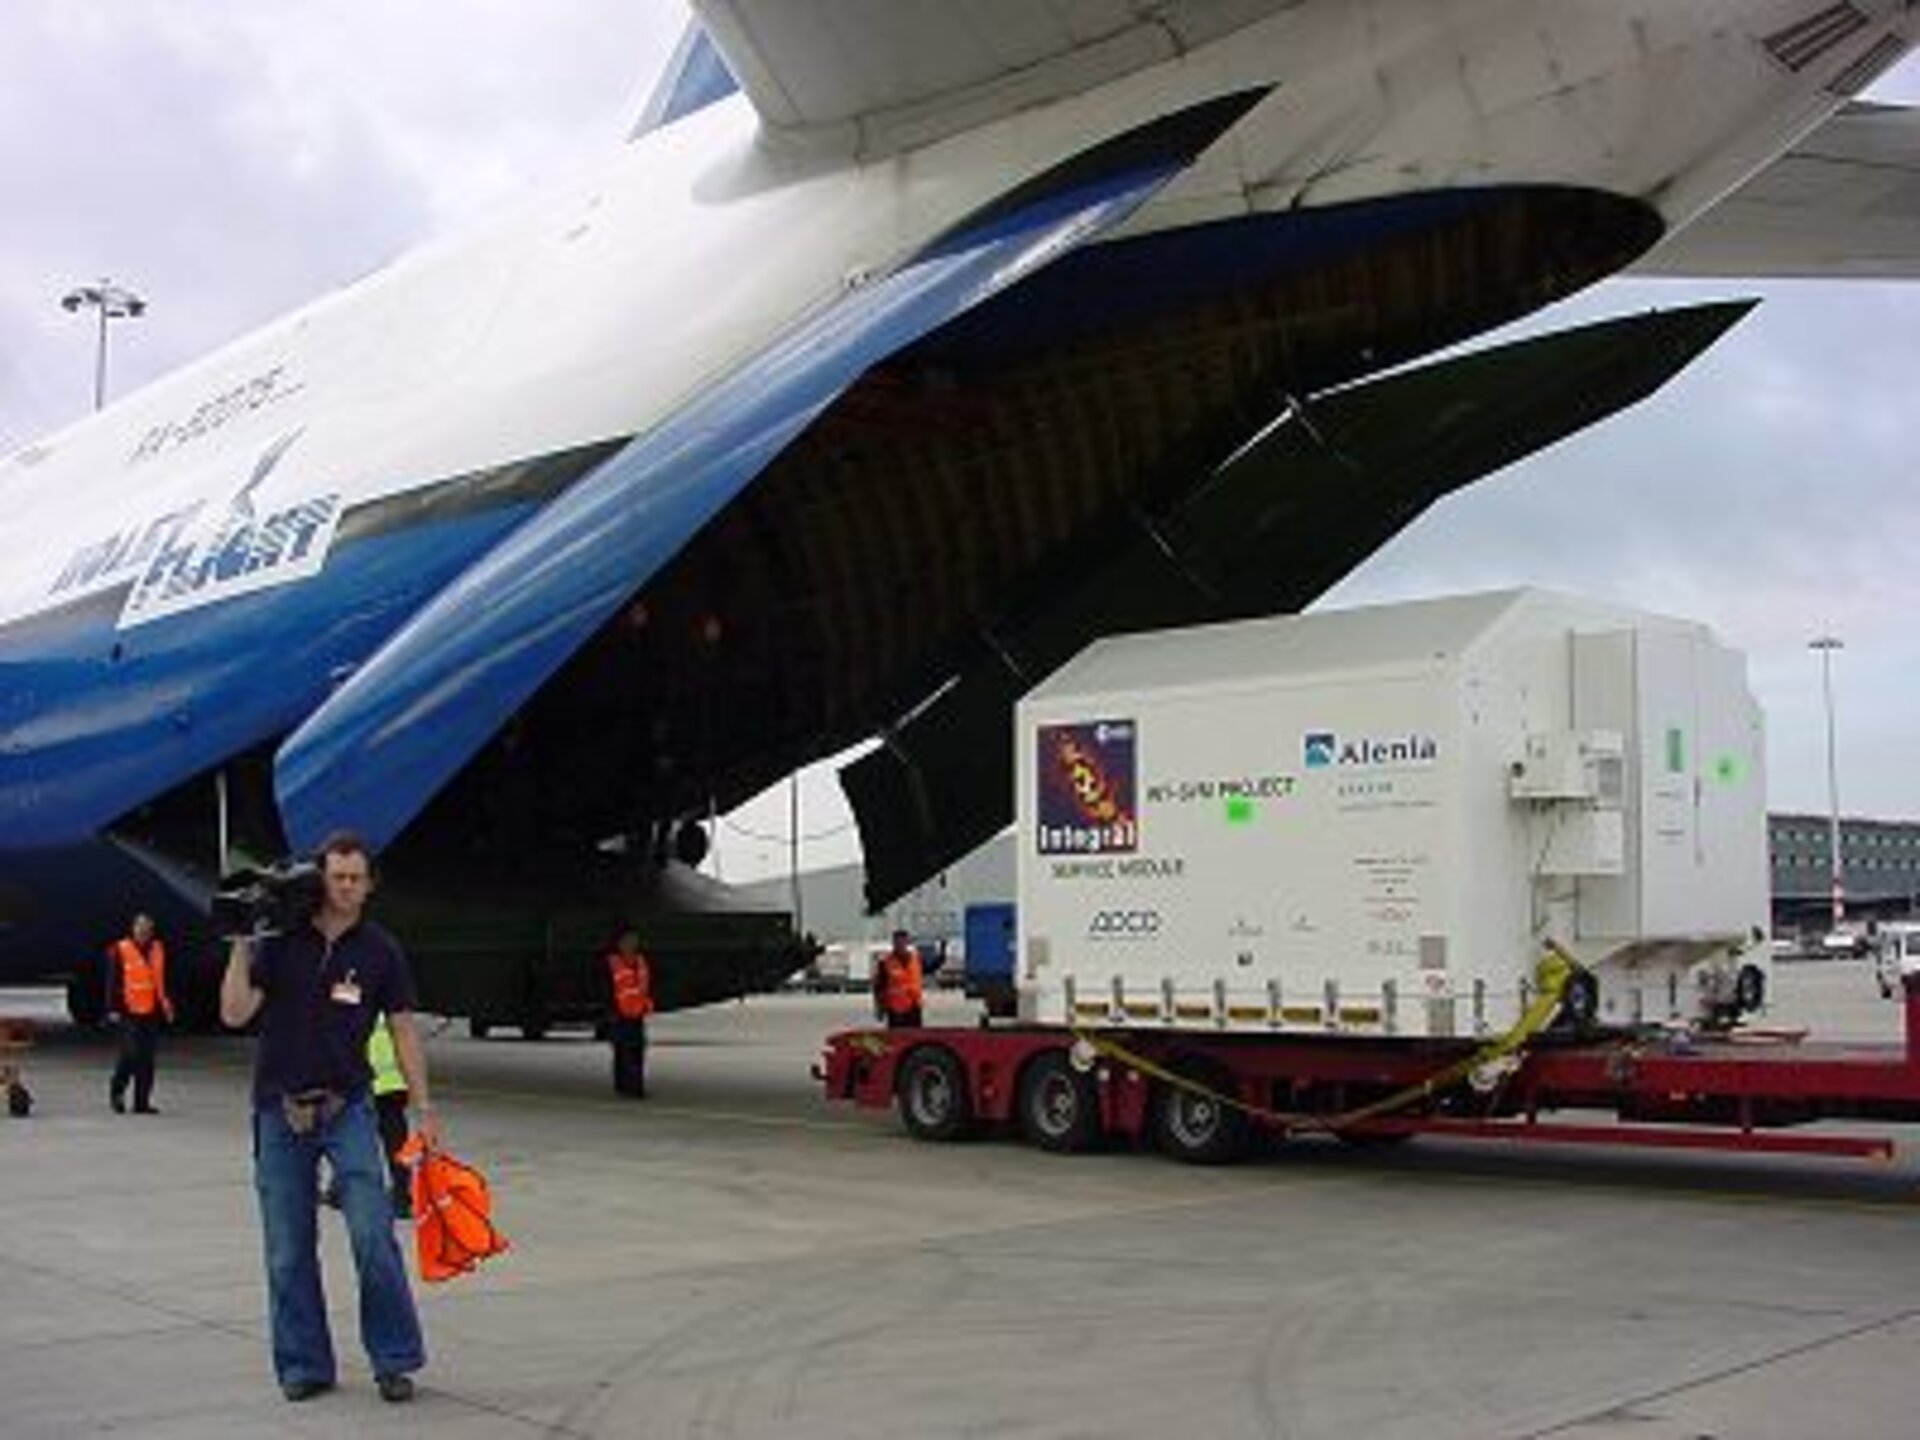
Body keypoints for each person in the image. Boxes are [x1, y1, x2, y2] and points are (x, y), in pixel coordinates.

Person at [220, 831, 435, 1405]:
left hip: (348, 1108)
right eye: (335, 876)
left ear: (369, 884)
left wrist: (423, 1107)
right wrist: (240, 942)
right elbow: (235, 1012)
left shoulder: (380, 951)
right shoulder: (282, 942)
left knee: (373, 1234)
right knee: (288, 1247)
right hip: (278, 1109)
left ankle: (393, 1358)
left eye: (354, 877)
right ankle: (304, 1365)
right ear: (321, 878)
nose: (344, 886)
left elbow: (404, 1028)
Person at [107, 913, 174, 1114]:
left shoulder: (158, 949)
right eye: (140, 926)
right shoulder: (119, 949)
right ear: (133, 928)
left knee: (147, 1058)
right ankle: (116, 1092)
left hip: (151, 1010)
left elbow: (162, 980)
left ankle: (141, 1102)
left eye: (148, 928)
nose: (144, 931)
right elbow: (112, 981)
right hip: (128, 1010)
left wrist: (167, 1006)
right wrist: (112, 1008)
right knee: (130, 1054)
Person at [604, 927, 654, 1098]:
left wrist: (647, 1004)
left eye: (634, 940)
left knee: (637, 1051)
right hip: (619, 1015)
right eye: (627, 941)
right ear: (619, 944)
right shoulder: (613, 963)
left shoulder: (641, 962)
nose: (631, 944)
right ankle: (626, 1087)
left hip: (637, 1014)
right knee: (623, 1052)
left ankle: (635, 1086)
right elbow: (608, 988)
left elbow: (644, 986)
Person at [874, 929, 925, 1029]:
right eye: (897, 942)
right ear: (893, 943)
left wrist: (942, 953)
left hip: (914, 1007)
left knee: (915, 1038)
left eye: (903, 942)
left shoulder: (916, 959)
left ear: (907, 942)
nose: (900, 945)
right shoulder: (885, 962)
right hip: (896, 1009)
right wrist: (879, 1009)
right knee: (897, 1040)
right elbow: (879, 988)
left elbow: (930, 967)